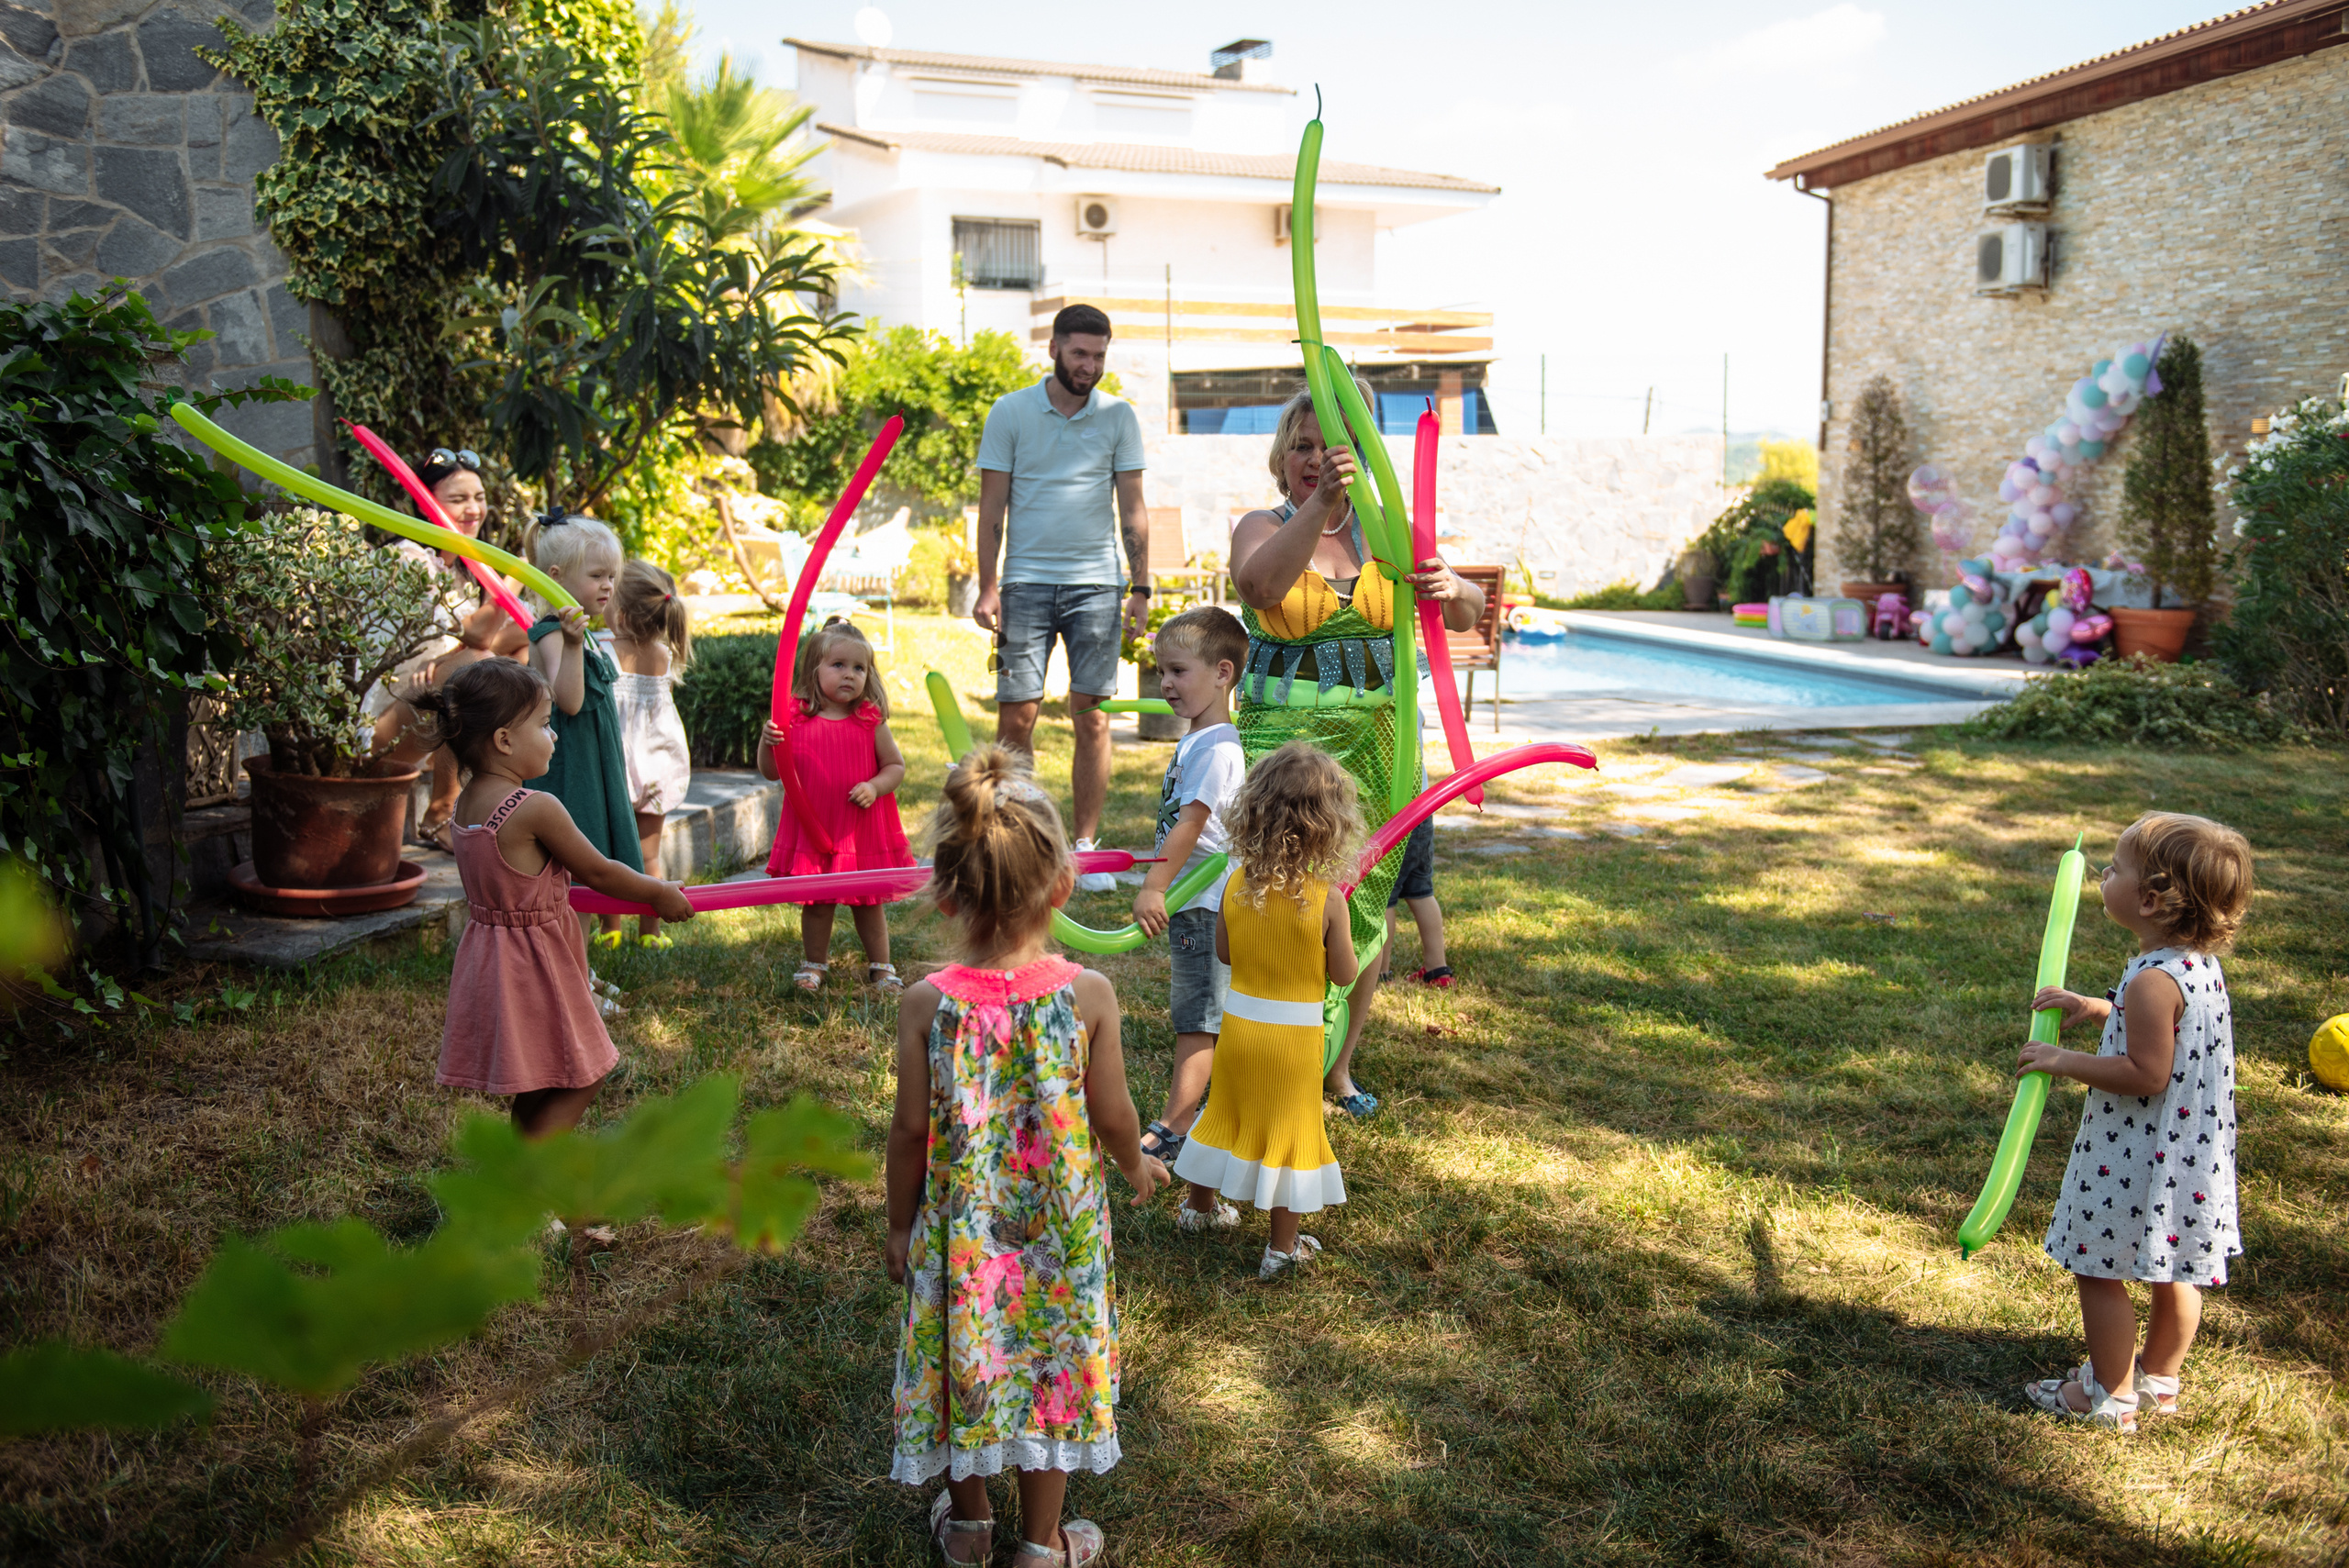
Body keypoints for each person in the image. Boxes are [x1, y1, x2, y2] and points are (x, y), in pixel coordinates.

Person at [884, 745, 1164, 1567]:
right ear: (1062, 889)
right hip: (1062, 1237)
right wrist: (1139, 1167)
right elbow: (1114, 1116)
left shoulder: (924, 1004)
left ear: (944, 895)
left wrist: (901, 1225)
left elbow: (908, 1133)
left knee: (962, 1360)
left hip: (961, 1239)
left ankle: (969, 1528)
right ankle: (1041, 1545)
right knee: (1055, 1371)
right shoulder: (1088, 995)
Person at [1225, 381, 1486, 1117]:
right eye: (1301, 446)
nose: (1315, 458)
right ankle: (1272, 1054)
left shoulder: (1390, 534)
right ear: (1283, 457)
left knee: (1365, 901)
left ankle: (1338, 1068)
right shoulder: (1261, 522)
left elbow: (1469, 609)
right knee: (1284, 904)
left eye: (1330, 445)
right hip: (1285, 754)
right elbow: (1258, 583)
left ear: (1362, 452)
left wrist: (1450, 582)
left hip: (1380, 747)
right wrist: (1318, 506)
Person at [2020, 812, 2253, 1432]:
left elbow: (2147, 1071)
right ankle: (2158, 1380)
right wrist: (2094, 1006)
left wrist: (2065, 1060)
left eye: (2115, 868)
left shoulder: (2153, 979)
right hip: (2190, 1160)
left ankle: (2110, 1396)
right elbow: (2163, 1033)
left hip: (2138, 1156)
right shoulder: (2192, 966)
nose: (2104, 874)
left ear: (2149, 899)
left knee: (2098, 1268)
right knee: (2176, 1268)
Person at [417, 659, 693, 1138]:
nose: (556, 736)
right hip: (536, 962)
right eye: (546, 726)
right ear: (504, 740)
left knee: (539, 1079)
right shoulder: (535, 808)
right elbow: (598, 870)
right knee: (586, 1072)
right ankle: (531, 1189)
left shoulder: (466, 802)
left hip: (493, 959)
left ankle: (523, 1182)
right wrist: (658, 893)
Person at [972, 303, 1152, 893]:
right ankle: (1020, 839)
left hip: (1097, 585)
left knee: (1092, 718)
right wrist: (987, 585)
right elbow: (992, 508)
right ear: (1053, 348)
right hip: (1024, 582)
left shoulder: (1118, 417)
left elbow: (1133, 510)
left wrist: (1141, 587)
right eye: (1079, 353)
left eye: (1099, 355)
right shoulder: (1011, 412)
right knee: (1017, 715)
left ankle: (1084, 848)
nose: (1090, 365)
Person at [1171, 742, 1362, 1278]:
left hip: (1240, 1030)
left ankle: (1199, 1209)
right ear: (1329, 826)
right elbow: (1344, 974)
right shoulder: (1328, 900)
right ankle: (1281, 1249)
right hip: (1293, 1041)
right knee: (1292, 1130)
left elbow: (1225, 953)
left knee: (1224, 1112)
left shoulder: (1236, 884)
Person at [1129, 606, 1249, 1167]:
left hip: (1203, 903)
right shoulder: (1200, 740)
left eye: (1178, 671)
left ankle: (1177, 1127)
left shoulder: (1217, 748)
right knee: (1199, 1010)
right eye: (1161, 672)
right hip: (1194, 901)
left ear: (1222, 673)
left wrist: (1154, 885)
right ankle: (1204, 1112)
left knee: (1198, 1016)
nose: (1166, 684)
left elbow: (1192, 823)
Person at [368, 446, 530, 847]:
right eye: (457, 500)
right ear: (427, 508)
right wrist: (519, 572)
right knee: (473, 668)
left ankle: (507, 802)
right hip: (381, 727)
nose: (473, 509)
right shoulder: (407, 560)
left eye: (478, 498)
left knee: (521, 657)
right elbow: (476, 639)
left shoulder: (467, 569)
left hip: (428, 712)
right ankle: (442, 810)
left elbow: (512, 635)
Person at [758, 618, 911, 994]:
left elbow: (896, 766)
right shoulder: (793, 717)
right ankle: (814, 964)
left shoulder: (869, 719)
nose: (850, 675)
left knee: (867, 900)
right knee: (819, 902)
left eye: (859, 668)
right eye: (838, 665)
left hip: (858, 831)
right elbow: (770, 773)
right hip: (815, 829)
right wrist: (767, 742)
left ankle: (881, 966)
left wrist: (875, 787)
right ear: (815, 669)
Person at [522, 512, 644, 969]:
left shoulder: (583, 634)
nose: (608, 585)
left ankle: (581, 975)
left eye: (612, 576)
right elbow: (568, 702)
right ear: (555, 577)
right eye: (596, 575)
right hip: (569, 773)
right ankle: (575, 982)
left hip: (592, 766)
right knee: (572, 881)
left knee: (584, 885)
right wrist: (574, 646)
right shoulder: (555, 635)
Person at [608, 560, 695, 949]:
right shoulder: (663, 655)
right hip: (659, 765)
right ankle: (650, 934)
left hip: (619, 767)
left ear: (622, 613)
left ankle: (610, 931)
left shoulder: (603, 649)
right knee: (648, 856)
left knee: (607, 856)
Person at [1382, 820, 1452, 987]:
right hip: (1422, 819)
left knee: (1384, 898)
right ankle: (1437, 969)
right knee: (1422, 892)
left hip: (1390, 820)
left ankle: (1381, 974)